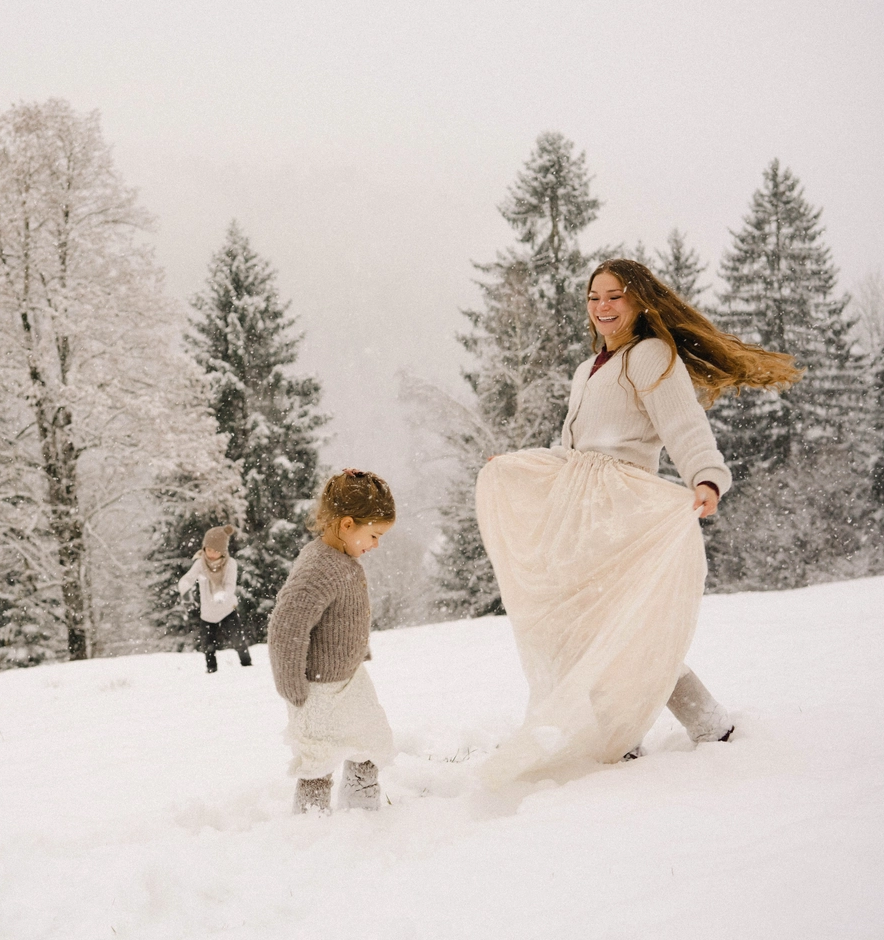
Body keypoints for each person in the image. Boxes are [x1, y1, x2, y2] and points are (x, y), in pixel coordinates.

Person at [476, 258, 799, 784]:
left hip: (621, 510)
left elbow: (683, 424)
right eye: (594, 297)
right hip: (580, 513)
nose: (602, 307)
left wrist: (707, 477)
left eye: (615, 296)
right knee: (599, 630)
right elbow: (575, 450)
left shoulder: (649, 357)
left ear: (639, 302)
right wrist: (514, 467)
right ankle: (662, 734)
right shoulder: (589, 369)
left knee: (620, 629)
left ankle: (678, 733)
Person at [267, 470, 398, 814]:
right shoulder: (318, 568)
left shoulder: (343, 559)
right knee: (318, 756)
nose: (376, 545)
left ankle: (362, 807)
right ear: (347, 524)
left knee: (370, 739)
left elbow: (343, 616)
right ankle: (312, 824)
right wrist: (290, 683)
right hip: (317, 688)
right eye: (373, 535)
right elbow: (286, 626)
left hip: (349, 679)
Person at [176, 524, 252, 673]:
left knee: (238, 641)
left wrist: (222, 595)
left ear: (223, 551)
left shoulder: (230, 564)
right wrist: (185, 592)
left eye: (215, 551)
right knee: (208, 646)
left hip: (227, 610)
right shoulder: (200, 564)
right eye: (208, 550)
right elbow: (187, 579)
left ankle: (247, 666)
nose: (211, 554)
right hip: (208, 613)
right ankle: (211, 671)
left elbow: (230, 586)